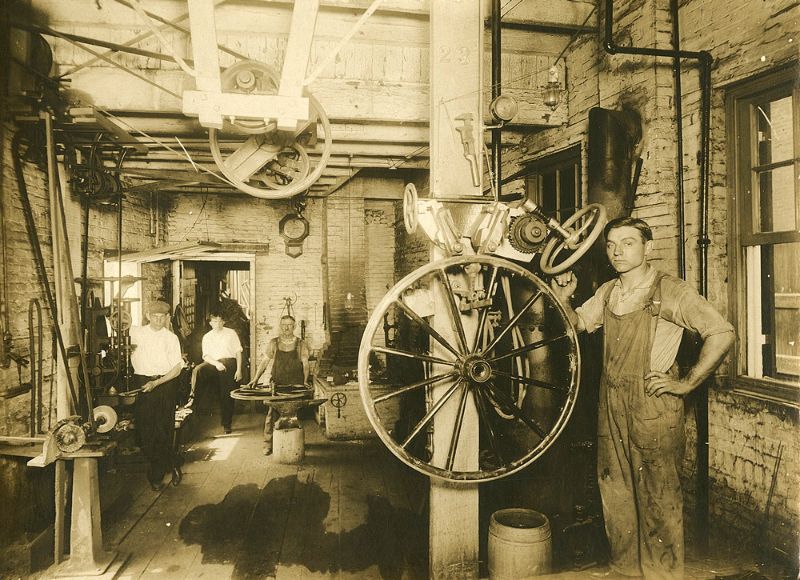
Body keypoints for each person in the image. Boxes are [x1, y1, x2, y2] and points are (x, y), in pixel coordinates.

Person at [549, 217, 734, 579]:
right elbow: (578, 325)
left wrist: (686, 382)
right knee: (615, 493)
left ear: (648, 248)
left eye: (628, 243)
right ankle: (625, 572)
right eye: (612, 244)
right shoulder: (608, 292)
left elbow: (722, 332)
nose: (618, 251)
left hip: (652, 406)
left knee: (658, 497)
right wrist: (562, 298)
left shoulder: (671, 291)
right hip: (611, 403)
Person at [129, 300, 186, 491]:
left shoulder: (171, 338)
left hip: (164, 385)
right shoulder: (136, 333)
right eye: (155, 317)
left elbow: (177, 369)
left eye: (162, 317)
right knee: (145, 433)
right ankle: (174, 463)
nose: (159, 320)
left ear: (167, 317)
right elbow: (116, 319)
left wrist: (156, 383)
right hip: (142, 384)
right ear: (147, 316)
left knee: (163, 431)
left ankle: (156, 476)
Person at [247, 315, 309, 455]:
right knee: (271, 414)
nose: (287, 328)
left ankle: (296, 443)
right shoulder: (274, 343)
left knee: (294, 415)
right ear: (280, 326)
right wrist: (256, 379)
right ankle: (268, 444)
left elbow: (305, 365)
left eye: (290, 325)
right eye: (284, 325)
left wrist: (305, 381)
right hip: (277, 384)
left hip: (295, 385)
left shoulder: (301, 344)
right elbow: (264, 362)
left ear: (294, 327)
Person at [195, 309, 243, 434]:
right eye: (215, 321)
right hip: (214, 364)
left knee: (227, 395)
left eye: (220, 321)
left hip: (230, 364)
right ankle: (193, 401)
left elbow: (238, 352)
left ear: (224, 322)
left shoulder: (231, 333)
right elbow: (205, 356)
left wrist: (239, 370)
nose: (218, 324)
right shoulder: (207, 337)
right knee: (198, 371)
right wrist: (216, 364)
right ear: (210, 323)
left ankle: (227, 423)